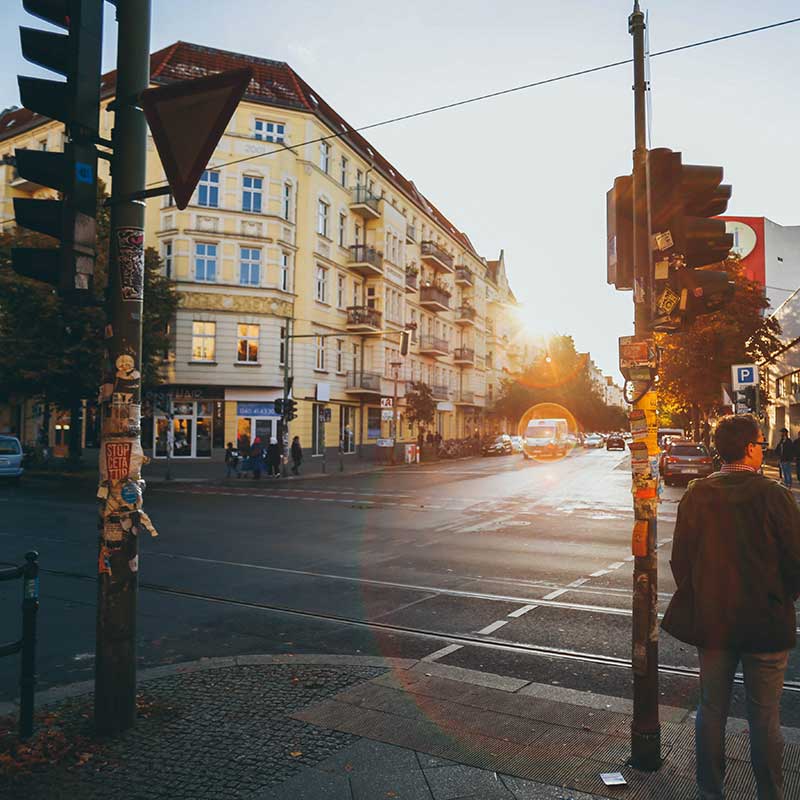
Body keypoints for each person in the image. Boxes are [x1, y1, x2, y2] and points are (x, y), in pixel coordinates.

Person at [662, 414, 800, 800]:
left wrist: (704, 594)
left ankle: (710, 792)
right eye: (760, 441)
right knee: (765, 716)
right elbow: (796, 560)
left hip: (714, 621)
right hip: (766, 623)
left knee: (711, 709)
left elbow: (680, 560)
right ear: (750, 448)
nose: (762, 447)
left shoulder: (697, 493)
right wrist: (784, 596)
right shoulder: (774, 495)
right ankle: (769, 794)